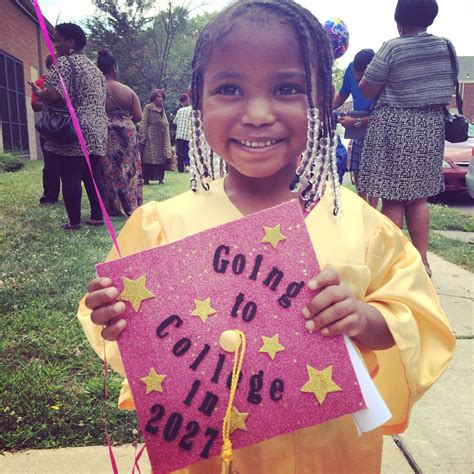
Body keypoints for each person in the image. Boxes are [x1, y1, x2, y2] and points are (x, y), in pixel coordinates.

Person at [79, 2, 454, 472]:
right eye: (230, 89)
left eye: (287, 88)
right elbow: (124, 334)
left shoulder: (362, 227)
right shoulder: (162, 227)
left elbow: (415, 322)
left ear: (320, 102)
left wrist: (361, 318)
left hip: (327, 452)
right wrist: (114, 315)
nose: (258, 113)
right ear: (197, 101)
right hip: (212, 454)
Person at [358, 0, 455, 277]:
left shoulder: (393, 47)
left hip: (396, 125)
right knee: (418, 198)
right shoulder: (445, 46)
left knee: (393, 198)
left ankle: (395, 263)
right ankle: (422, 262)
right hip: (430, 127)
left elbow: (367, 89)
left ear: (398, 19)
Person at [29, 23, 108, 230]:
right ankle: (97, 216)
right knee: (93, 174)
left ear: (71, 42)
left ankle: (74, 222)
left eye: (58, 39)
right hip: (97, 127)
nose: (55, 45)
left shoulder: (62, 64)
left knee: (71, 174)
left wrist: (39, 91)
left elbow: (54, 95)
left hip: (73, 129)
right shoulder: (96, 69)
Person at [97, 49, 143, 217]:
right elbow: (138, 116)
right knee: (128, 168)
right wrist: (124, 121)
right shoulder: (128, 91)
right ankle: (130, 203)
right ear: (114, 68)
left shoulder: (96, 90)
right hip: (127, 133)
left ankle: (112, 206)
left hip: (106, 132)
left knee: (108, 169)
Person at [333, 49, 377, 206]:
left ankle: (371, 213)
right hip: (358, 133)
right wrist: (326, 109)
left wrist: (356, 121)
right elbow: (342, 94)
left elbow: (384, 117)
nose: (358, 80)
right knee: (357, 171)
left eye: (362, 76)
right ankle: (362, 209)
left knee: (372, 177)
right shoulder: (351, 69)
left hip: (376, 132)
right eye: (356, 74)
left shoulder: (381, 75)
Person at [31, 54, 61, 206]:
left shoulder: (67, 81)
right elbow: (35, 106)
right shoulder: (41, 82)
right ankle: (50, 196)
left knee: (70, 162)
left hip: (67, 126)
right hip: (49, 128)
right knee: (50, 162)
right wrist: (50, 103)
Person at [139, 89, 172, 185]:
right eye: (158, 97)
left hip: (161, 139)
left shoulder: (162, 109)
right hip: (150, 138)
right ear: (153, 98)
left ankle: (160, 178)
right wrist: (143, 136)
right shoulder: (148, 108)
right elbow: (144, 122)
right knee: (148, 159)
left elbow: (165, 123)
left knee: (161, 159)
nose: (160, 99)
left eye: (162, 97)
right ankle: (146, 179)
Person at [173, 92, 192, 173]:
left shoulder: (179, 110)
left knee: (180, 152)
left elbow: (175, 122)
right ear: (187, 100)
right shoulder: (192, 109)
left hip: (179, 135)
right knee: (187, 151)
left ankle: (180, 169)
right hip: (188, 135)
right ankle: (187, 166)